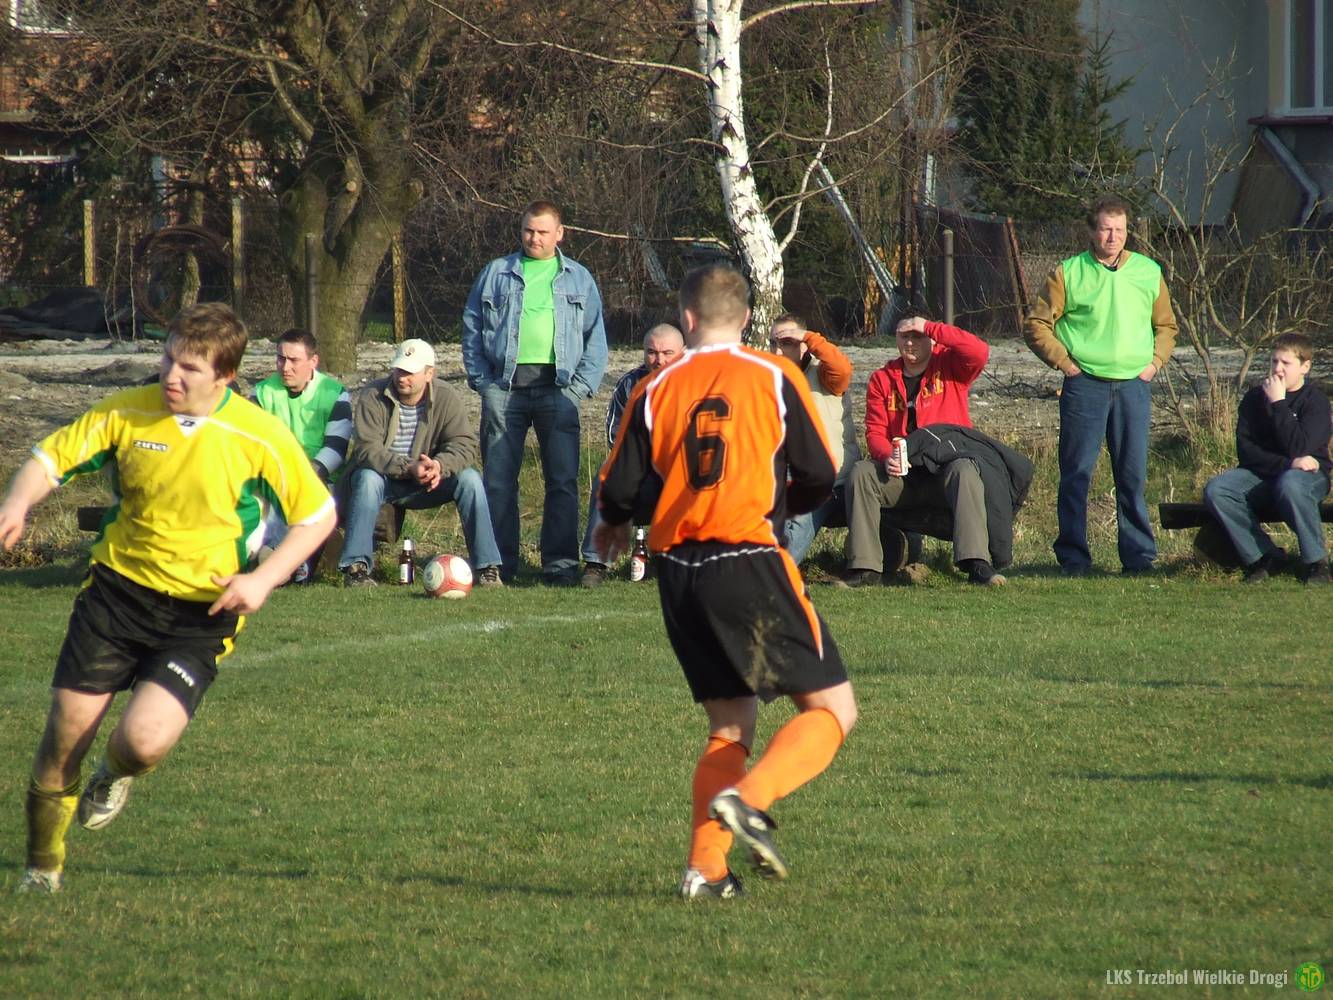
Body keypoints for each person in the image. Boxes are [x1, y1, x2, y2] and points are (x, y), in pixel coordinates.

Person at [1, 303, 335, 894]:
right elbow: (49, 459)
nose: (171, 376)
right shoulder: (127, 411)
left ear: (224, 377)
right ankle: (42, 866)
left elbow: (319, 515)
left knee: (143, 742)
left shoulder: (257, 434)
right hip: (115, 597)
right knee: (65, 735)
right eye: (167, 358)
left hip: (201, 614)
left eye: (189, 368)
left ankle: (113, 774)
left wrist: (262, 579)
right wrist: (16, 502)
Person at [594, 264, 857, 900]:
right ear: (746, 320)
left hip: (679, 573)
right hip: (746, 556)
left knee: (731, 724)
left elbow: (621, 488)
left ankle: (706, 872)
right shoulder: (773, 374)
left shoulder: (654, 386)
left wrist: (615, 525)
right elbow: (820, 472)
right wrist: (782, 509)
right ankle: (750, 799)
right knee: (833, 709)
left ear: (686, 318)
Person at [1025, 194, 1178, 576]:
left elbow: (1166, 325)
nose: (1114, 237)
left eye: (1120, 229)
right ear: (1092, 231)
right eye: (1107, 229)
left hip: (1133, 387)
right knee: (1076, 473)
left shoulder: (1148, 271)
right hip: (1086, 386)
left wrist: (1154, 363)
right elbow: (1037, 324)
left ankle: (1139, 558)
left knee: (1132, 475)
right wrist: (1066, 364)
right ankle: (1074, 558)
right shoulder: (1068, 273)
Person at [462, 200, 608, 585]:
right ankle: (498, 566)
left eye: (543, 232)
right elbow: (472, 328)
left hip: (558, 391)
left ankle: (560, 566)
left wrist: (578, 390)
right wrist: (483, 383)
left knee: (562, 482)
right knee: (498, 482)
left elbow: (596, 340)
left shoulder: (579, 278)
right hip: (503, 389)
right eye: (529, 230)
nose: (534, 238)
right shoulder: (495, 273)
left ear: (560, 234)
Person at [842, 315, 1010, 586]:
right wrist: (887, 457)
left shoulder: (951, 367)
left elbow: (978, 351)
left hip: (943, 472)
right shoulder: (882, 379)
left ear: (931, 339)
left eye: (917, 336)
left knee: (965, 469)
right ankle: (865, 567)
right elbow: (875, 432)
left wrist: (931, 327)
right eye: (904, 336)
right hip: (903, 477)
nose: (910, 343)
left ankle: (976, 563)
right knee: (862, 472)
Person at [337, 338, 503, 588]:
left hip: (431, 480)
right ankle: (356, 568)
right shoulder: (372, 395)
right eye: (398, 370)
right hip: (385, 479)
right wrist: (408, 467)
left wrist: (439, 466)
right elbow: (366, 449)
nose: (402, 377)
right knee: (367, 478)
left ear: (429, 374)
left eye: (410, 372)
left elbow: (464, 444)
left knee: (470, 479)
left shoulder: (447, 397)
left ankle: (487, 567)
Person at [1202, 333, 1331, 584]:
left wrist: (1279, 403)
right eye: (1274, 361)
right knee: (1219, 489)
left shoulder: (1315, 402)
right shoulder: (1254, 399)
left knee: (1291, 484)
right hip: (1263, 474)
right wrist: (1287, 463)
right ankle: (1264, 556)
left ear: (1305, 366)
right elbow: (1247, 451)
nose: (1278, 369)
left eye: (1286, 363)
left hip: (1307, 477)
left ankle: (1317, 562)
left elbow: (1300, 446)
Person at [579, 323, 684, 586]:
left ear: (683, 352)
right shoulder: (629, 385)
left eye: (667, 353)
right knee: (607, 475)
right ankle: (596, 563)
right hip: (642, 473)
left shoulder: (697, 383)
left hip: (684, 474)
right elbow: (616, 440)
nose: (659, 360)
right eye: (652, 352)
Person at [252, 328, 352, 582]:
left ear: (313, 361)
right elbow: (250, 444)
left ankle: (277, 556)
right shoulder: (262, 392)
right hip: (272, 474)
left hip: (319, 476)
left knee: (295, 491)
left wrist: (304, 473)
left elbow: (336, 448)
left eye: (293, 360)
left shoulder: (334, 393)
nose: (285, 367)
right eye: (280, 358)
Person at [770, 313, 859, 565]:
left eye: (787, 343)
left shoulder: (824, 374)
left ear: (804, 344)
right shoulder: (768, 379)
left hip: (829, 479)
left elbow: (842, 368)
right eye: (773, 343)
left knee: (800, 516)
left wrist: (809, 337)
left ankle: (774, 570)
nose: (777, 351)